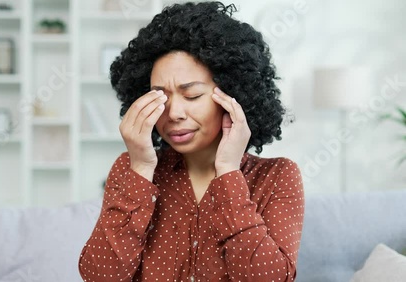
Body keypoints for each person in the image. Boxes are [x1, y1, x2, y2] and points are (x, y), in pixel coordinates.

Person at [79, 2, 304, 281]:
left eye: (192, 95)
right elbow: (99, 276)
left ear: (232, 96)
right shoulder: (131, 168)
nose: (173, 113)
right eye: (159, 97)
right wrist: (140, 170)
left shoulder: (277, 177)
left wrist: (229, 173)